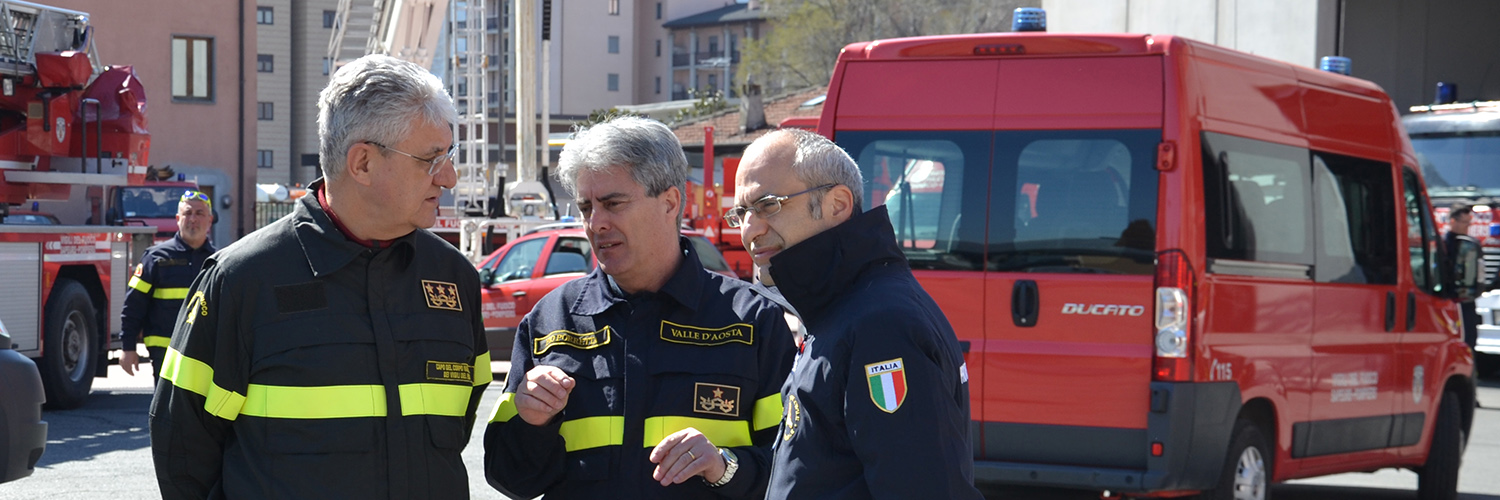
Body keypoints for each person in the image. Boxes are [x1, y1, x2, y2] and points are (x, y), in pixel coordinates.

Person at [149, 54, 489, 499]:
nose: (449, 177)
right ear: (362, 163)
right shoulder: (241, 280)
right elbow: (183, 450)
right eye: (430, 159)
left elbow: (458, 427)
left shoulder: (455, 280)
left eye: (450, 155)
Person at [483, 116, 796, 500]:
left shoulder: (753, 322)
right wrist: (531, 423)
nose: (596, 223)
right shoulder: (551, 320)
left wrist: (723, 466)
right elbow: (509, 479)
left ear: (669, 202)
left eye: (613, 204)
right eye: (586, 207)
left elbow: (793, 469)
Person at [729, 129, 981, 500]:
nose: (750, 229)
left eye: (768, 205)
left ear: (838, 205)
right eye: (741, 213)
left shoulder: (880, 324)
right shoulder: (842, 307)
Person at [119, 190, 216, 380]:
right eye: (188, 213)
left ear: (210, 220)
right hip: (165, 353)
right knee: (166, 410)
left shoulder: (218, 261)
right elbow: (133, 305)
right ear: (178, 218)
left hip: (207, 352)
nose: (193, 219)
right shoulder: (155, 258)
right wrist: (128, 347)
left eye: (199, 213)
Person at [1446, 204, 1482, 350]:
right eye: (1465, 223)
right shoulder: (1443, 244)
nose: (1468, 227)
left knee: (1469, 342)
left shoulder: (1470, 245)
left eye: (1469, 223)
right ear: (1453, 221)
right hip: (1450, 299)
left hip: (1467, 298)